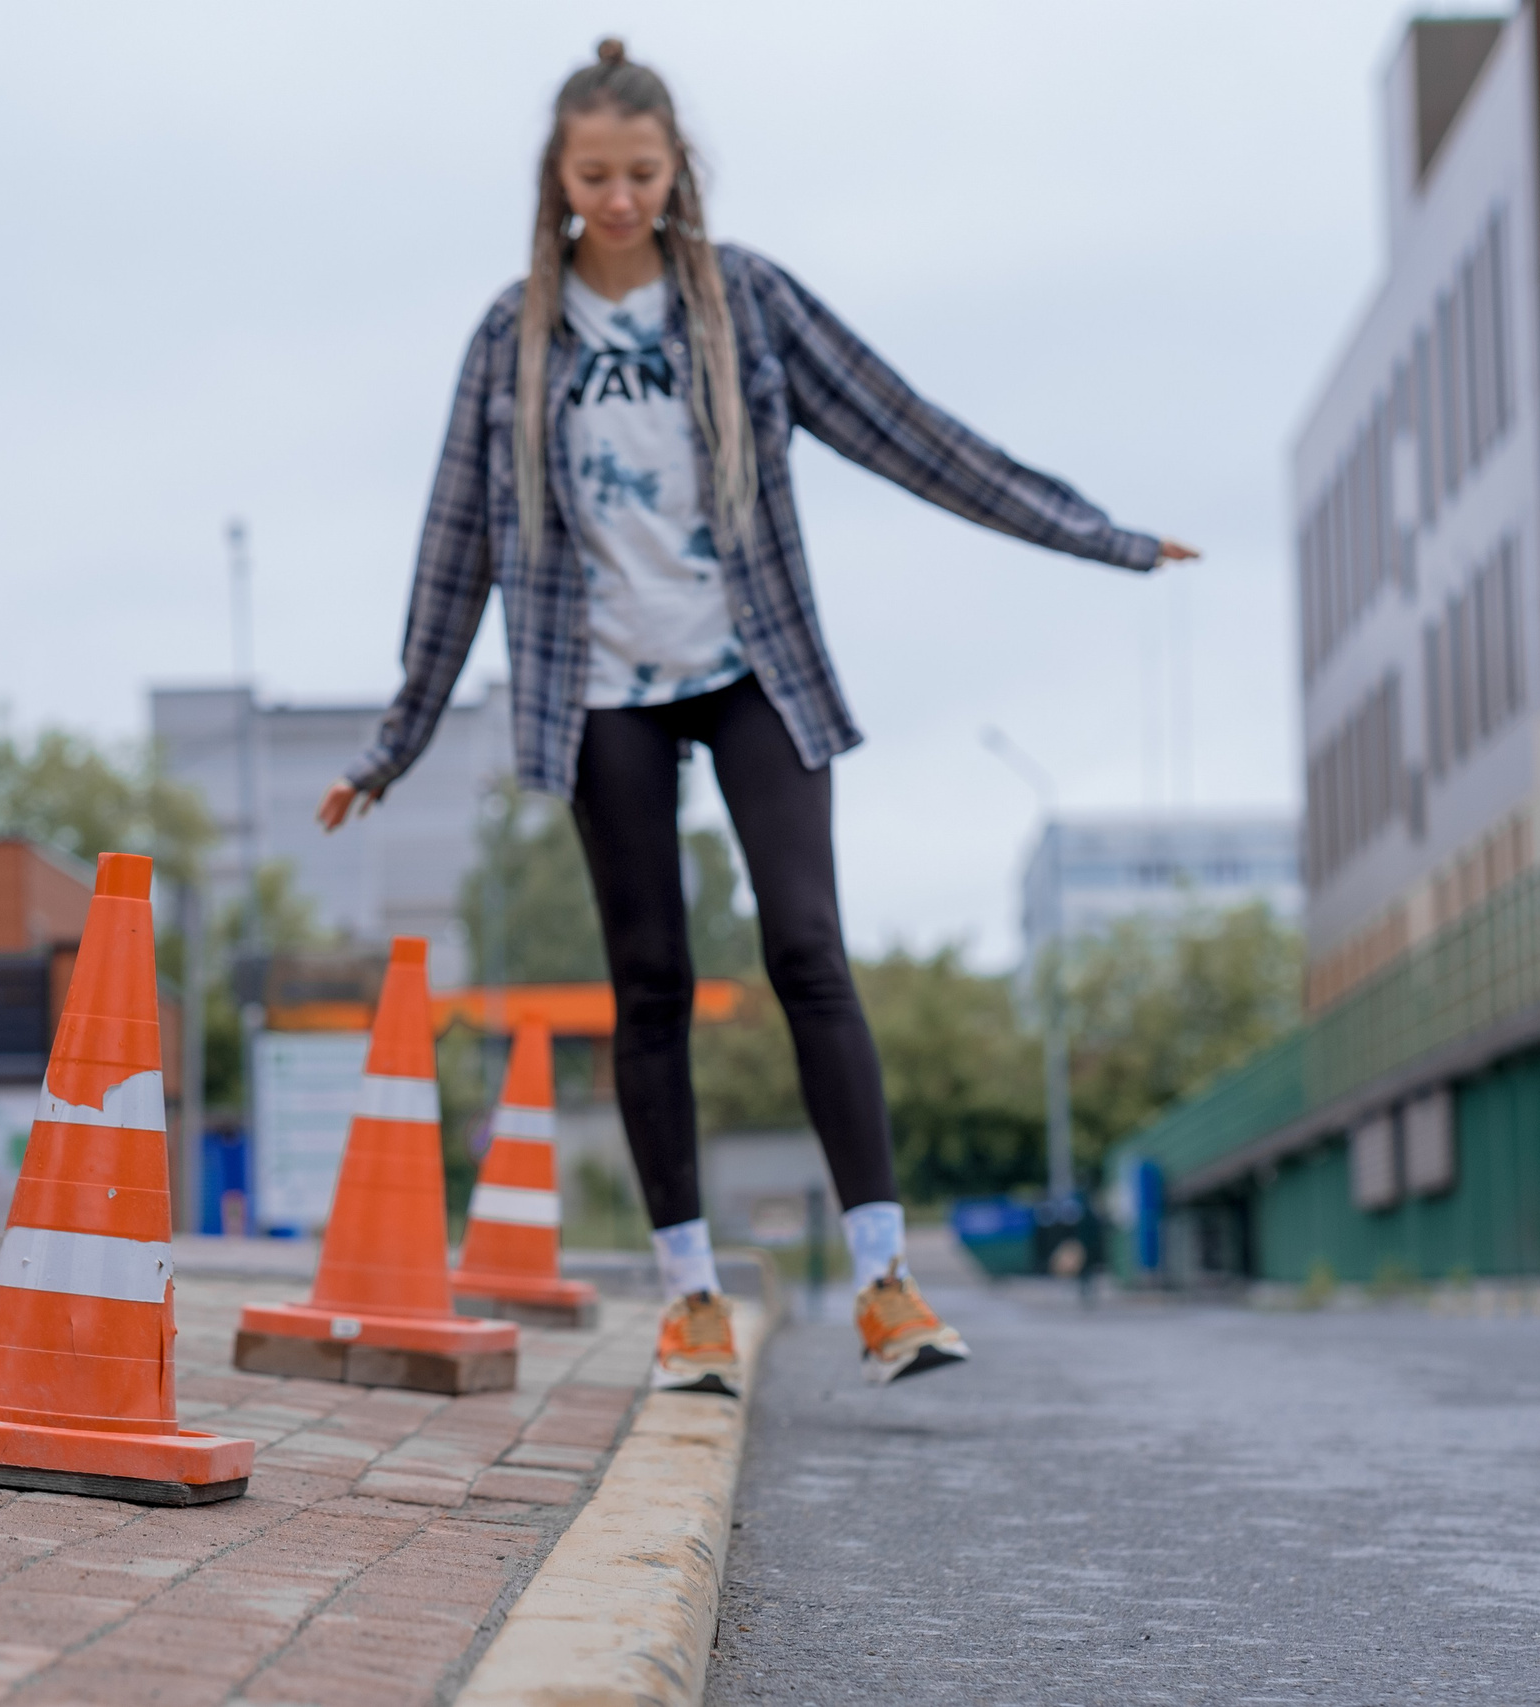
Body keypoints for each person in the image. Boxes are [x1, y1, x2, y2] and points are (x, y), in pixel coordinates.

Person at [315, 39, 1197, 1392]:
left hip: (752, 671)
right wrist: (396, 742)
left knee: (807, 949)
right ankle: (690, 1298)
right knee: (651, 982)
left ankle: (885, 1282)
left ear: (680, 175)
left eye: (642, 174)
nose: (618, 199)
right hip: (601, 690)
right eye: (594, 175)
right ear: (558, 180)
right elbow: (456, 545)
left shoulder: (747, 305)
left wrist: (1103, 537)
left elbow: (914, 434)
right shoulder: (515, 338)